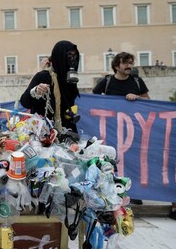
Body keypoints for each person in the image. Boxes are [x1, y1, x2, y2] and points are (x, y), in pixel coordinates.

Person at [92, 52, 150, 205]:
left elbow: (148, 100)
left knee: (133, 159)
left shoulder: (137, 82)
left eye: (131, 63)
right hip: (111, 128)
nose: (129, 66)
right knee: (111, 159)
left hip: (133, 129)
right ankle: (111, 190)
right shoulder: (106, 82)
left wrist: (137, 98)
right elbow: (93, 99)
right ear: (117, 66)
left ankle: (134, 192)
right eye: (125, 63)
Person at [20, 40, 81, 132]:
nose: (72, 60)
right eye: (69, 56)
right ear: (60, 57)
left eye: (74, 56)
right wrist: (36, 91)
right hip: (44, 132)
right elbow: (25, 102)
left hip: (66, 130)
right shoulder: (44, 76)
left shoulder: (69, 79)